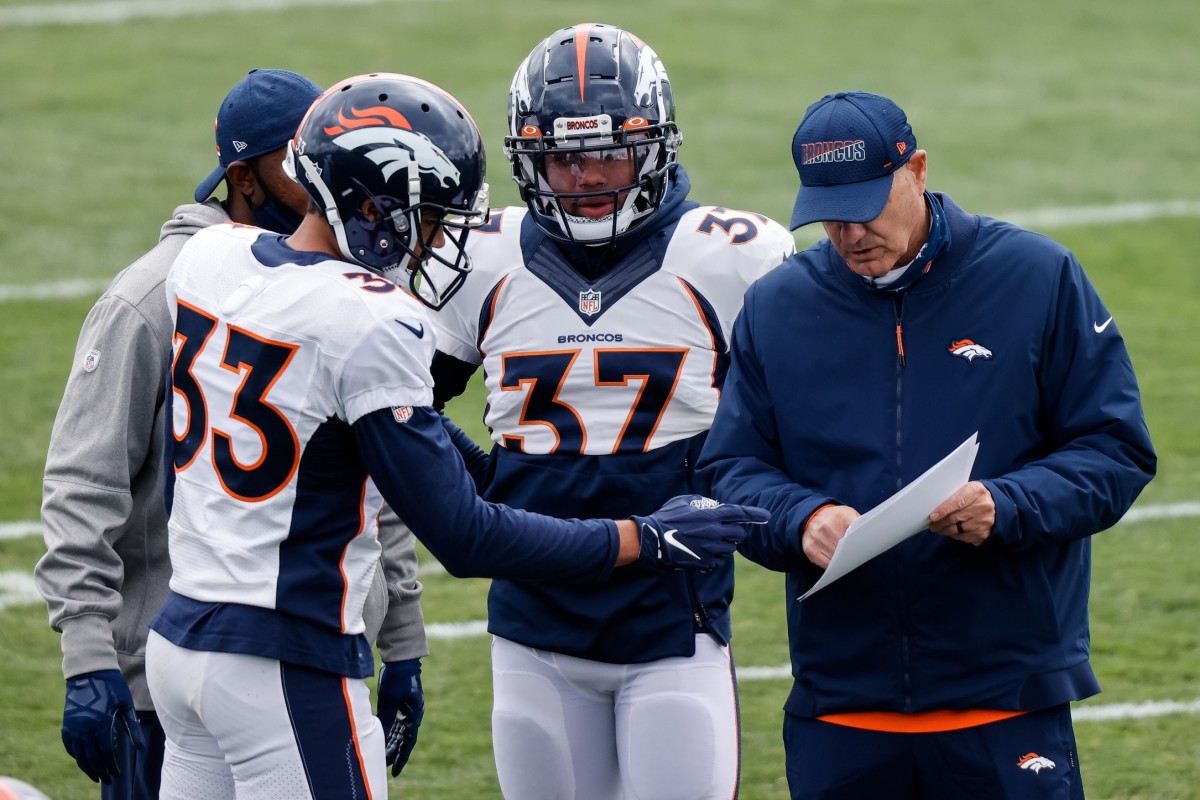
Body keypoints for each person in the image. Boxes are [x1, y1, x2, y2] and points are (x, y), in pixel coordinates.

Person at [143, 71, 767, 800]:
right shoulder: (368, 316)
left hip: (181, 637)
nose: (438, 237)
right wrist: (643, 538)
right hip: (285, 657)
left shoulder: (210, 258)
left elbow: (179, 474)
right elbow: (465, 539)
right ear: (372, 207)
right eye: (431, 215)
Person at [698, 90, 1157, 799]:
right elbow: (731, 467)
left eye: (867, 205)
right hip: (843, 703)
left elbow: (1114, 448)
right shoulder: (778, 306)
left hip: (1006, 696)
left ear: (916, 169)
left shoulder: (1037, 278)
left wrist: (1007, 505)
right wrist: (802, 519)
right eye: (830, 215)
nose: (850, 234)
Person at [423, 24, 796, 800]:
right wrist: (481, 477)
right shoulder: (483, 259)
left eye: (609, 152)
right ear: (530, 160)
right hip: (533, 622)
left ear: (654, 148)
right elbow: (392, 408)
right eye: (563, 156)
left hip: (673, 621)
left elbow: (809, 415)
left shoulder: (732, 255)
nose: (587, 175)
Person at [33, 68, 354, 799]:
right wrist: (88, 661)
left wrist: (402, 644)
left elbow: (367, 482)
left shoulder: (334, 294)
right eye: (299, 163)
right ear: (243, 177)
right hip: (170, 689)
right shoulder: (151, 297)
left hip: (308, 663)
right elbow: (83, 487)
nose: (323, 181)